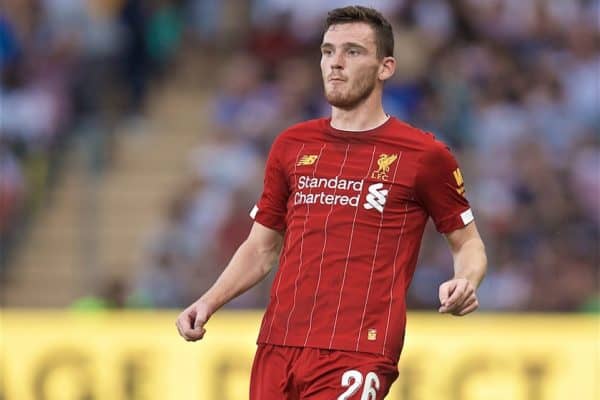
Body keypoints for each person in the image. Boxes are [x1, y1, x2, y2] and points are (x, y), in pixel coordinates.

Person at [176, 6, 487, 399]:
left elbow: (468, 242)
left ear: (385, 67)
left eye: (353, 52)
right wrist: (208, 301)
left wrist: (466, 280)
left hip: (359, 349)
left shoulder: (423, 154)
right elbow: (260, 247)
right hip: (278, 344)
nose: (335, 63)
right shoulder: (291, 145)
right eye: (327, 51)